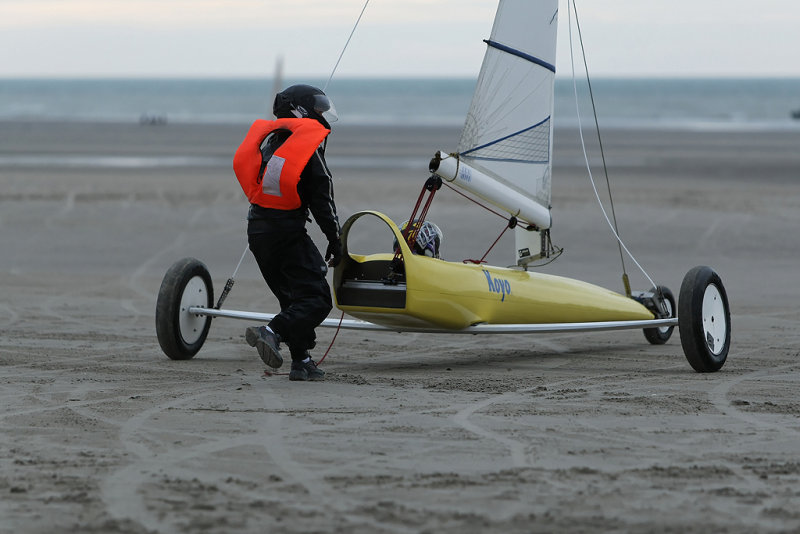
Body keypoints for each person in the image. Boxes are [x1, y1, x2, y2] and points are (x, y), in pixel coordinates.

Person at [232, 84, 342, 381]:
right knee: (317, 299)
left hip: (258, 232)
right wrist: (336, 239)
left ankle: (302, 361)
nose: (324, 114)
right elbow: (322, 198)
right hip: (286, 232)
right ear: (301, 110)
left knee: (293, 298)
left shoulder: (270, 143)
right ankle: (270, 331)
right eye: (319, 107)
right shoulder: (306, 146)